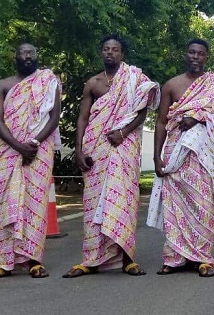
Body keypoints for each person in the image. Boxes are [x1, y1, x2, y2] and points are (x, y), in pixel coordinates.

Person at [63, 34, 160, 278]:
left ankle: (128, 259)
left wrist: (124, 132)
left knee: (124, 201)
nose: (110, 53)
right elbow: (83, 118)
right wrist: (78, 149)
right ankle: (92, 259)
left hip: (124, 146)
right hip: (96, 148)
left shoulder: (134, 79)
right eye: (106, 49)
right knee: (94, 203)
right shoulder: (93, 83)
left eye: (115, 49)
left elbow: (142, 111)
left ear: (122, 54)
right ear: (101, 52)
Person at [146, 38, 214, 278]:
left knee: (204, 205)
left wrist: (198, 117)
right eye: (192, 52)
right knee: (175, 206)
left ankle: (203, 258)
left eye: (201, 53)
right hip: (175, 153)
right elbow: (162, 121)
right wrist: (156, 156)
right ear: (185, 54)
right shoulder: (171, 85)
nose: (195, 56)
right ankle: (174, 258)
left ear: (207, 57)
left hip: (203, 156)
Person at [0, 43, 61, 281]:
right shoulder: (2, 85)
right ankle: (3, 263)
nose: (27, 57)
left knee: (35, 205)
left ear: (36, 57)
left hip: (39, 151)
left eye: (31, 53)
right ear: (15, 57)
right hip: (9, 150)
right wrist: (18, 146)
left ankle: (34, 261)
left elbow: (54, 117)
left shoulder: (49, 82)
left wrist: (33, 143)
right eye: (22, 53)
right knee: (6, 204)